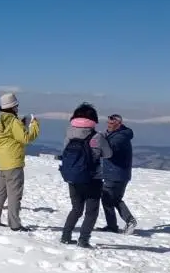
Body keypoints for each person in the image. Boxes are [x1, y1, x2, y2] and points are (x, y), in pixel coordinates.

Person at [58, 103, 113, 248]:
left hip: (73, 178)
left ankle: (65, 235)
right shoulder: (97, 137)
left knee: (76, 209)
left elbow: (64, 152)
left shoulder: (69, 134)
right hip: (92, 179)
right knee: (91, 211)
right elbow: (108, 154)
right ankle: (83, 239)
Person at [0, 93, 40, 231]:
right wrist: (34, 125)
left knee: (0, 192)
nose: (17, 108)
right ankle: (15, 224)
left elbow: (6, 138)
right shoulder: (13, 122)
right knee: (14, 195)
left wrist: (20, 125)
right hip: (14, 163)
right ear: (12, 107)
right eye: (16, 106)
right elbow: (26, 138)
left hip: (1, 162)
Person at [100, 114, 138, 234]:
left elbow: (109, 150)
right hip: (117, 173)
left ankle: (126, 221)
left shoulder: (120, 137)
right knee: (113, 199)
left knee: (109, 199)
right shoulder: (119, 134)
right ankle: (114, 225)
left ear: (119, 124)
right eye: (108, 123)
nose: (109, 125)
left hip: (115, 173)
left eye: (111, 124)